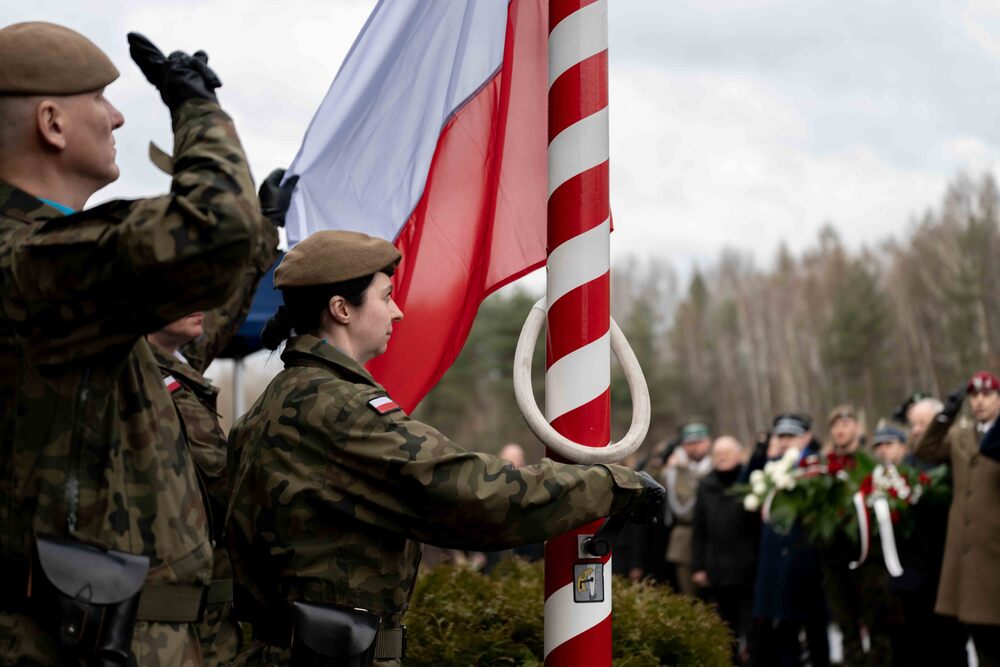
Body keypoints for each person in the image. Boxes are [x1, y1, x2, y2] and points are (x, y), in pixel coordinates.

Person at [224, 230, 664, 666]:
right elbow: (470, 495)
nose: (396, 312)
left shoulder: (271, 405)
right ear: (341, 309)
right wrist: (612, 484)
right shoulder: (337, 409)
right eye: (385, 297)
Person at [0, 23, 266, 665]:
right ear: (52, 123)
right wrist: (198, 108)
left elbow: (205, 276)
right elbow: (215, 228)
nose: (118, 117)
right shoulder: (30, 260)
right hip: (76, 639)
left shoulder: (51, 271)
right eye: (101, 100)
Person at [144, 171, 284, 666]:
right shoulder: (124, 375)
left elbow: (225, 309)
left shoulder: (180, 362)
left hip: (207, 628)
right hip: (153, 635)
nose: (200, 299)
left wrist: (265, 229)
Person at [914, 371, 1000, 667]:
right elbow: (924, 450)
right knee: (980, 641)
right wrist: (944, 415)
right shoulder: (960, 435)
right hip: (969, 562)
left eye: (987, 395)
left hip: (995, 554)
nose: (979, 401)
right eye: (973, 396)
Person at [748, 414, 829, 667]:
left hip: (808, 559)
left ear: (806, 437)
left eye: (791, 437)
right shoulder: (770, 466)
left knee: (815, 627)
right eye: (781, 436)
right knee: (784, 627)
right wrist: (761, 453)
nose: (785, 442)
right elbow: (744, 490)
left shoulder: (815, 466)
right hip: (775, 558)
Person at [819, 405, 893, 667]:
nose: (841, 430)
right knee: (846, 626)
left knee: (877, 624)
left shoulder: (870, 464)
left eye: (846, 424)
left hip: (868, 558)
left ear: (858, 429)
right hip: (834, 559)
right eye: (836, 426)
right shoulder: (821, 467)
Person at [691, 436, 759, 664]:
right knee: (724, 628)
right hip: (717, 569)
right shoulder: (706, 485)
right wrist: (698, 566)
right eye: (718, 454)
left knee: (752, 625)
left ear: (738, 454)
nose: (721, 458)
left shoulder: (750, 481)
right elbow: (699, 529)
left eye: (727, 453)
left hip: (748, 568)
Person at [663, 421, 713, 596]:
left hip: (715, 541)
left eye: (698, 442)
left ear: (708, 442)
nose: (694, 448)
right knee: (689, 598)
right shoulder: (675, 471)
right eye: (689, 443)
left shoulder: (718, 466)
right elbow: (681, 508)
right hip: (685, 540)